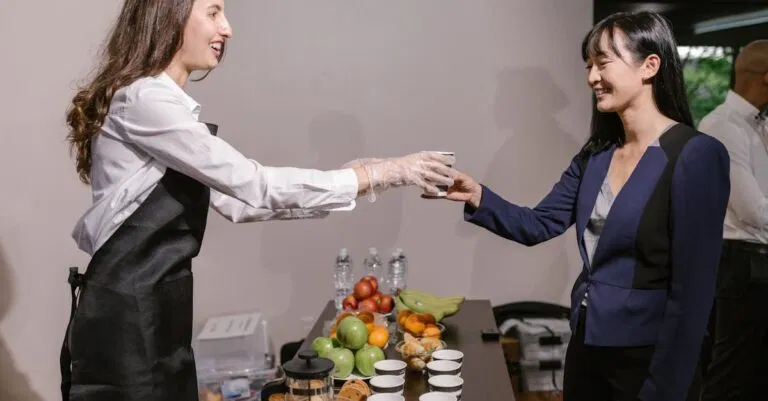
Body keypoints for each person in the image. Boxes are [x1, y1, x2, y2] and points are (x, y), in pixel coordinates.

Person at [59, 1, 456, 400]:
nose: (227, 28)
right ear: (169, 16)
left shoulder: (164, 110)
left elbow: (241, 203)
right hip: (127, 313)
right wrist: (375, 175)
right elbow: (253, 184)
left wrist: (363, 182)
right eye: (213, 13)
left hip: (160, 304)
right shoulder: (143, 99)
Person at [432, 11, 730, 401]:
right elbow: (538, 224)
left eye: (603, 62)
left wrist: (666, 387)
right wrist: (478, 196)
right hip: (587, 344)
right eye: (589, 65)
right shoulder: (596, 155)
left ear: (650, 66)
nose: (592, 77)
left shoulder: (695, 155)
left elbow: (692, 294)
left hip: (648, 359)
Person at [697, 39, 768, 401]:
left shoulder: (760, 125)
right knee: (733, 374)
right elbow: (753, 211)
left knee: (758, 376)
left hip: (758, 262)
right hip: (741, 263)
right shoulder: (721, 127)